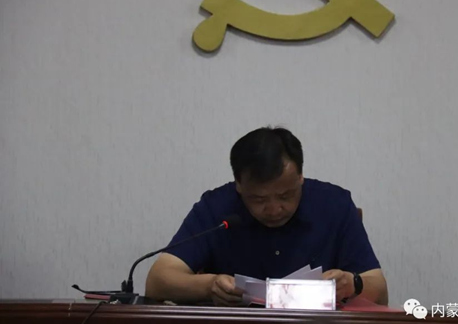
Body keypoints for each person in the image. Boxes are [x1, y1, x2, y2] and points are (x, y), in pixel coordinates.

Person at [145, 127, 388, 306]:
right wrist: (210, 285)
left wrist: (352, 283)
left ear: (300, 177)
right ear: (238, 185)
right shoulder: (216, 208)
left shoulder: (334, 205)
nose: (273, 209)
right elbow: (158, 281)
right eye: (259, 199)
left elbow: (379, 290)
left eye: (285, 196)